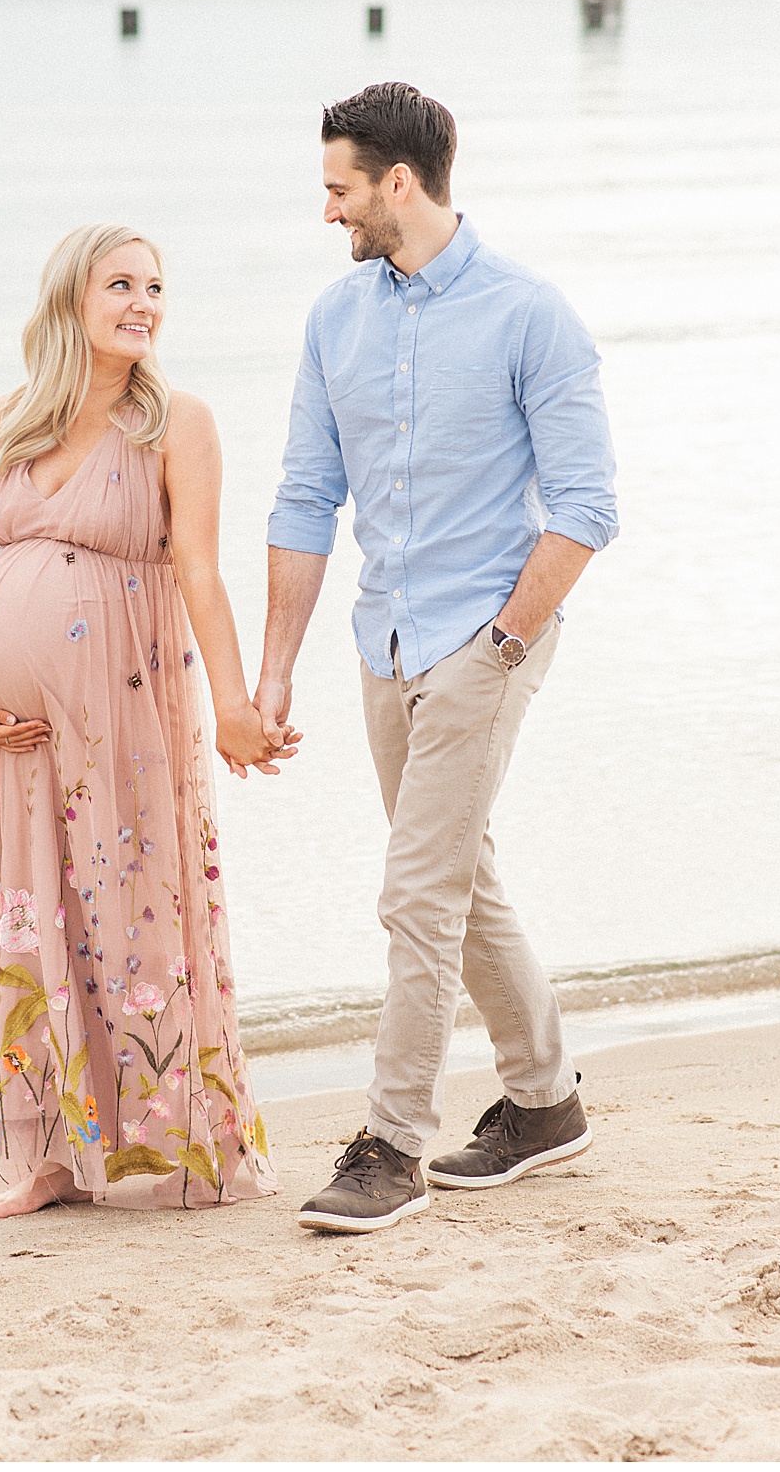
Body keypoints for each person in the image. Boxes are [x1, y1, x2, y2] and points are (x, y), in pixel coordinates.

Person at [258, 81, 618, 1235]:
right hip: (386, 640)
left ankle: (392, 1145)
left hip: (486, 635)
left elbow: (586, 506)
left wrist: (507, 640)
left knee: (416, 890)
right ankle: (544, 1102)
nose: (328, 212)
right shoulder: (335, 320)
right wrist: (274, 672)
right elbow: (307, 500)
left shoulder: (530, 314)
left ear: (396, 183)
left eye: (338, 187)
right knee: (459, 879)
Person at [0, 222, 284, 1217]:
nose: (143, 302)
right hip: (12, 735)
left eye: (155, 286)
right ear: (70, 302)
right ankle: (49, 1154)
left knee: (128, 917)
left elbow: (200, 573)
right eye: (120, 284)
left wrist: (233, 703)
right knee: (31, 916)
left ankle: (176, 1140)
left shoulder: (177, 421)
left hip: (123, 716)